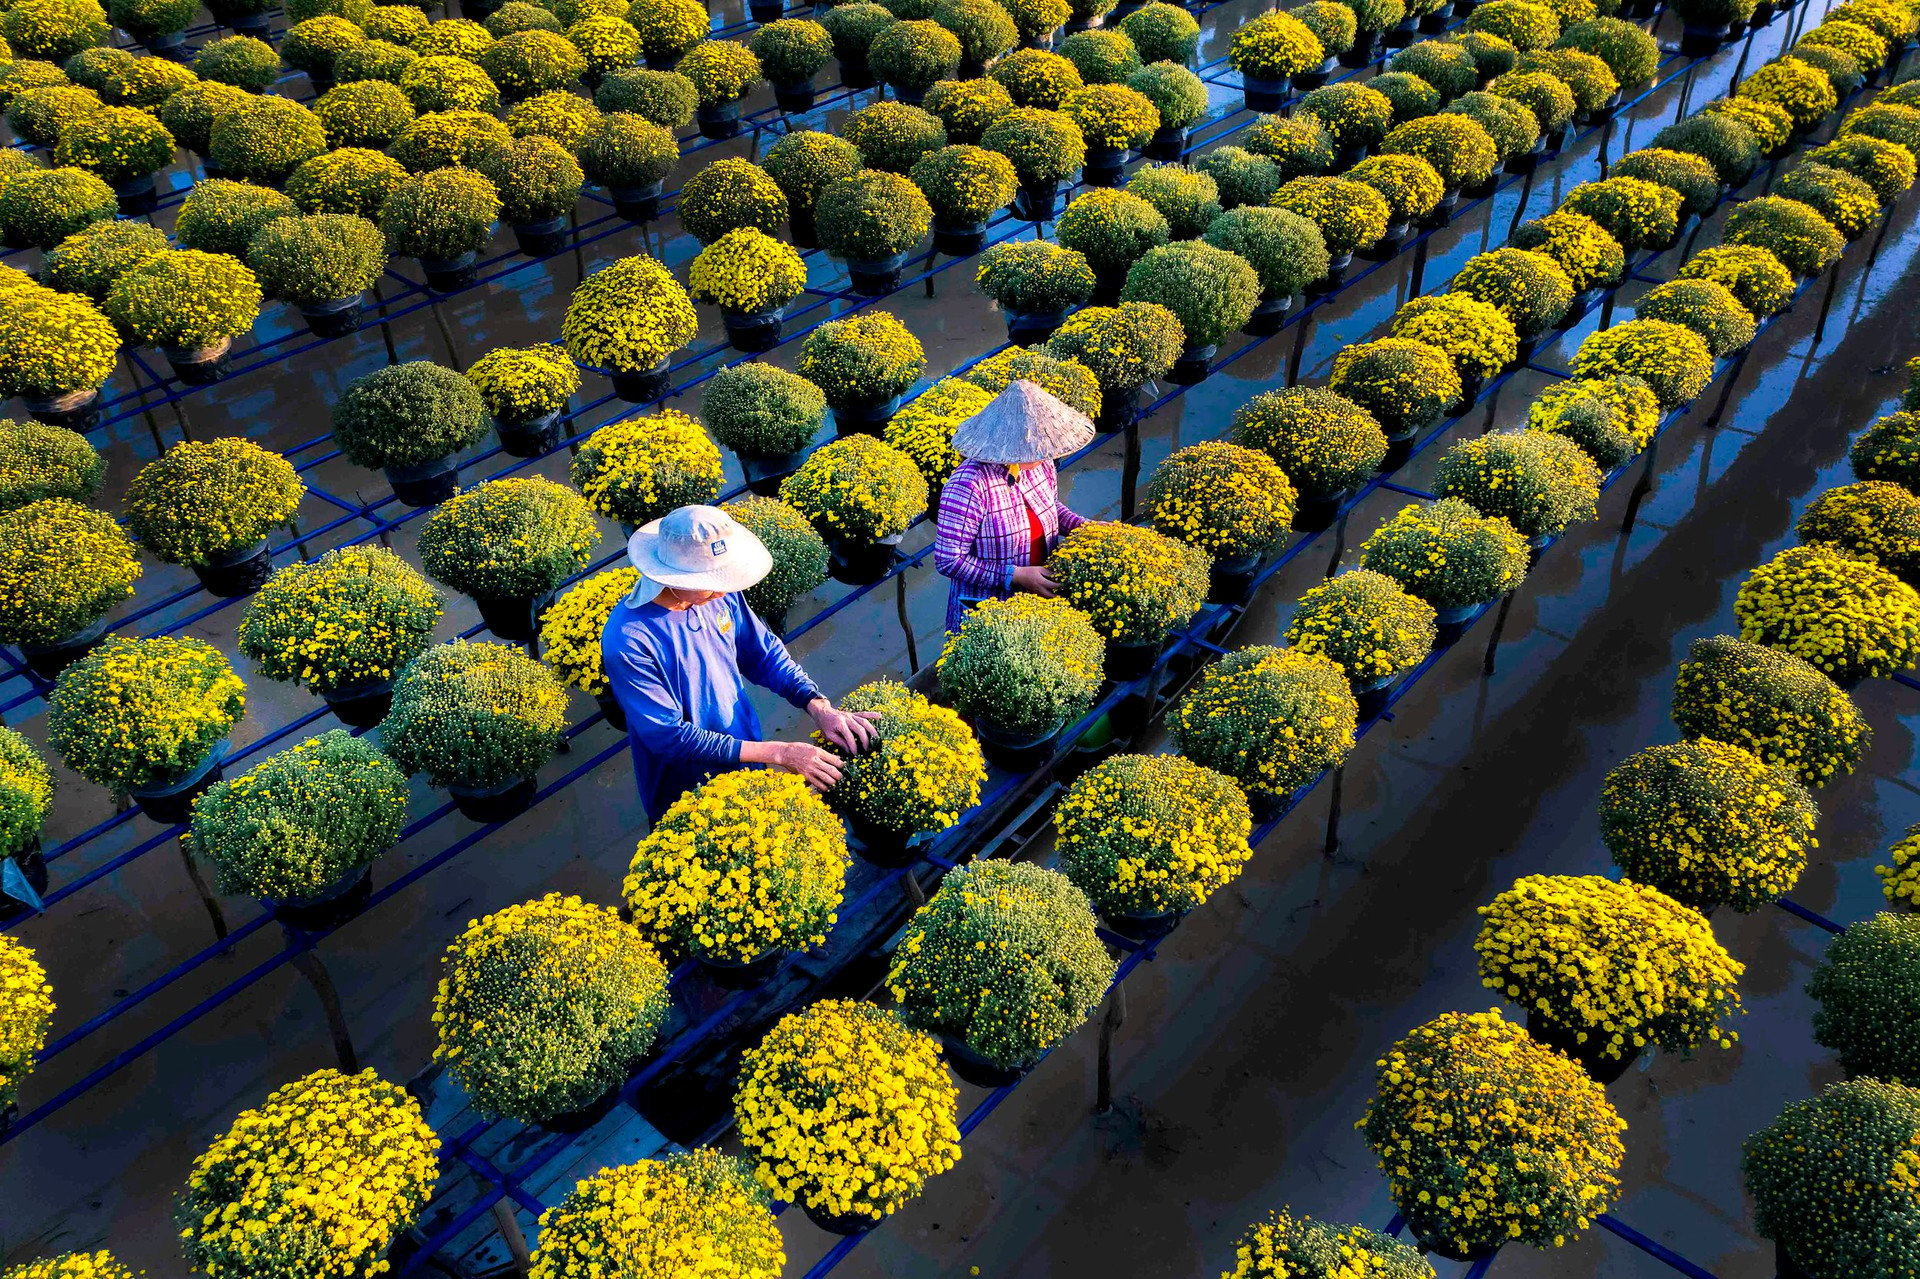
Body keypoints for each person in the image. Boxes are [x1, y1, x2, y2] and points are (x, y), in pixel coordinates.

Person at [602, 504, 877, 822]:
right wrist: (781, 752)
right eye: (709, 579)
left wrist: (817, 706)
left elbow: (763, 653)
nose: (722, 588)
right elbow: (669, 738)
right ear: (672, 575)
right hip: (686, 788)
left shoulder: (717, 594)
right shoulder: (628, 640)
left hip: (745, 749)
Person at [933, 380, 1096, 633]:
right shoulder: (969, 485)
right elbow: (948, 560)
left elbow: (1051, 507)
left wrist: (1085, 528)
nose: (1045, 454)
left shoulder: (1040, 462)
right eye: (1035, 449)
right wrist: (1015, 575)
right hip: (989, 611)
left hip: (1041, 593)